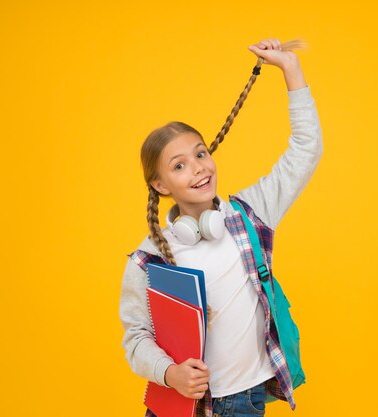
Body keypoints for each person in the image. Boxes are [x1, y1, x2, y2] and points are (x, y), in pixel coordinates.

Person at [119, 38, 323, 417]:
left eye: (200, 154)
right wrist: (169, 373)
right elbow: (136, 338)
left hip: (244, 400)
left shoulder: (251, 214)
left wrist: (290, 69)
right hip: (184, 404)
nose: (197, 168)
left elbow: (305, 151)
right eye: (179, 165)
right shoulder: (148, 260)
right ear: (160, 186)